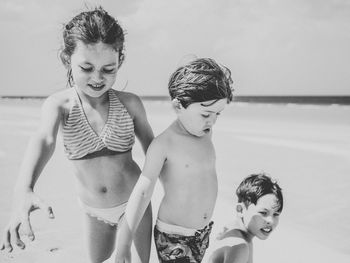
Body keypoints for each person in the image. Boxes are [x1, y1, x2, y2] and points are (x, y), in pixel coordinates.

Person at [0, 7, 154, 263]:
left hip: (134, 204)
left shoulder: (130, 103)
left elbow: (155, 152)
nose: (97, 78)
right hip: (94, 211)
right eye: (86, 67)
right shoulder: (59, 105)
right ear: (66, 58)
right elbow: (44, 140)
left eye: (108, 69)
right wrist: (23, 190)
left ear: (120, 61)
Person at [112, 57, 234, 263]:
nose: (212, 121)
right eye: (206, 113)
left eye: (218, 114)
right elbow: (142, 192)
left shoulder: (205, 133)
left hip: (201, 233)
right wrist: (124, 243)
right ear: (178, 106)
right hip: (175, 237)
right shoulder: (164, 145)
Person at [207, 173, 283, 263]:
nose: (270, 221)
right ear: (240, 210)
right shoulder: (239, 246)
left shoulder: (232, 231)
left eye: (276, 214)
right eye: (263, 213)